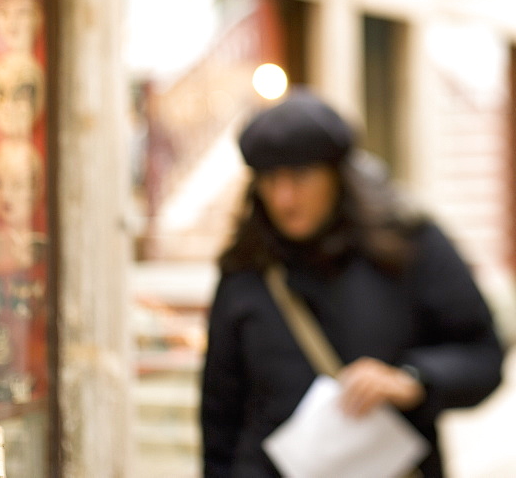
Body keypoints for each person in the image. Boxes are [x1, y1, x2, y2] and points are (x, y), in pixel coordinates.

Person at [200, 88, 504, 478]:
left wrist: (413, 379)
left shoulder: (410, 246)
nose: (284, 197)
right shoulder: (246, 268)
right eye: (269, 180)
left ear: (337, 175)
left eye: (300, 176)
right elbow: (219, 413)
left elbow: (483, 357)